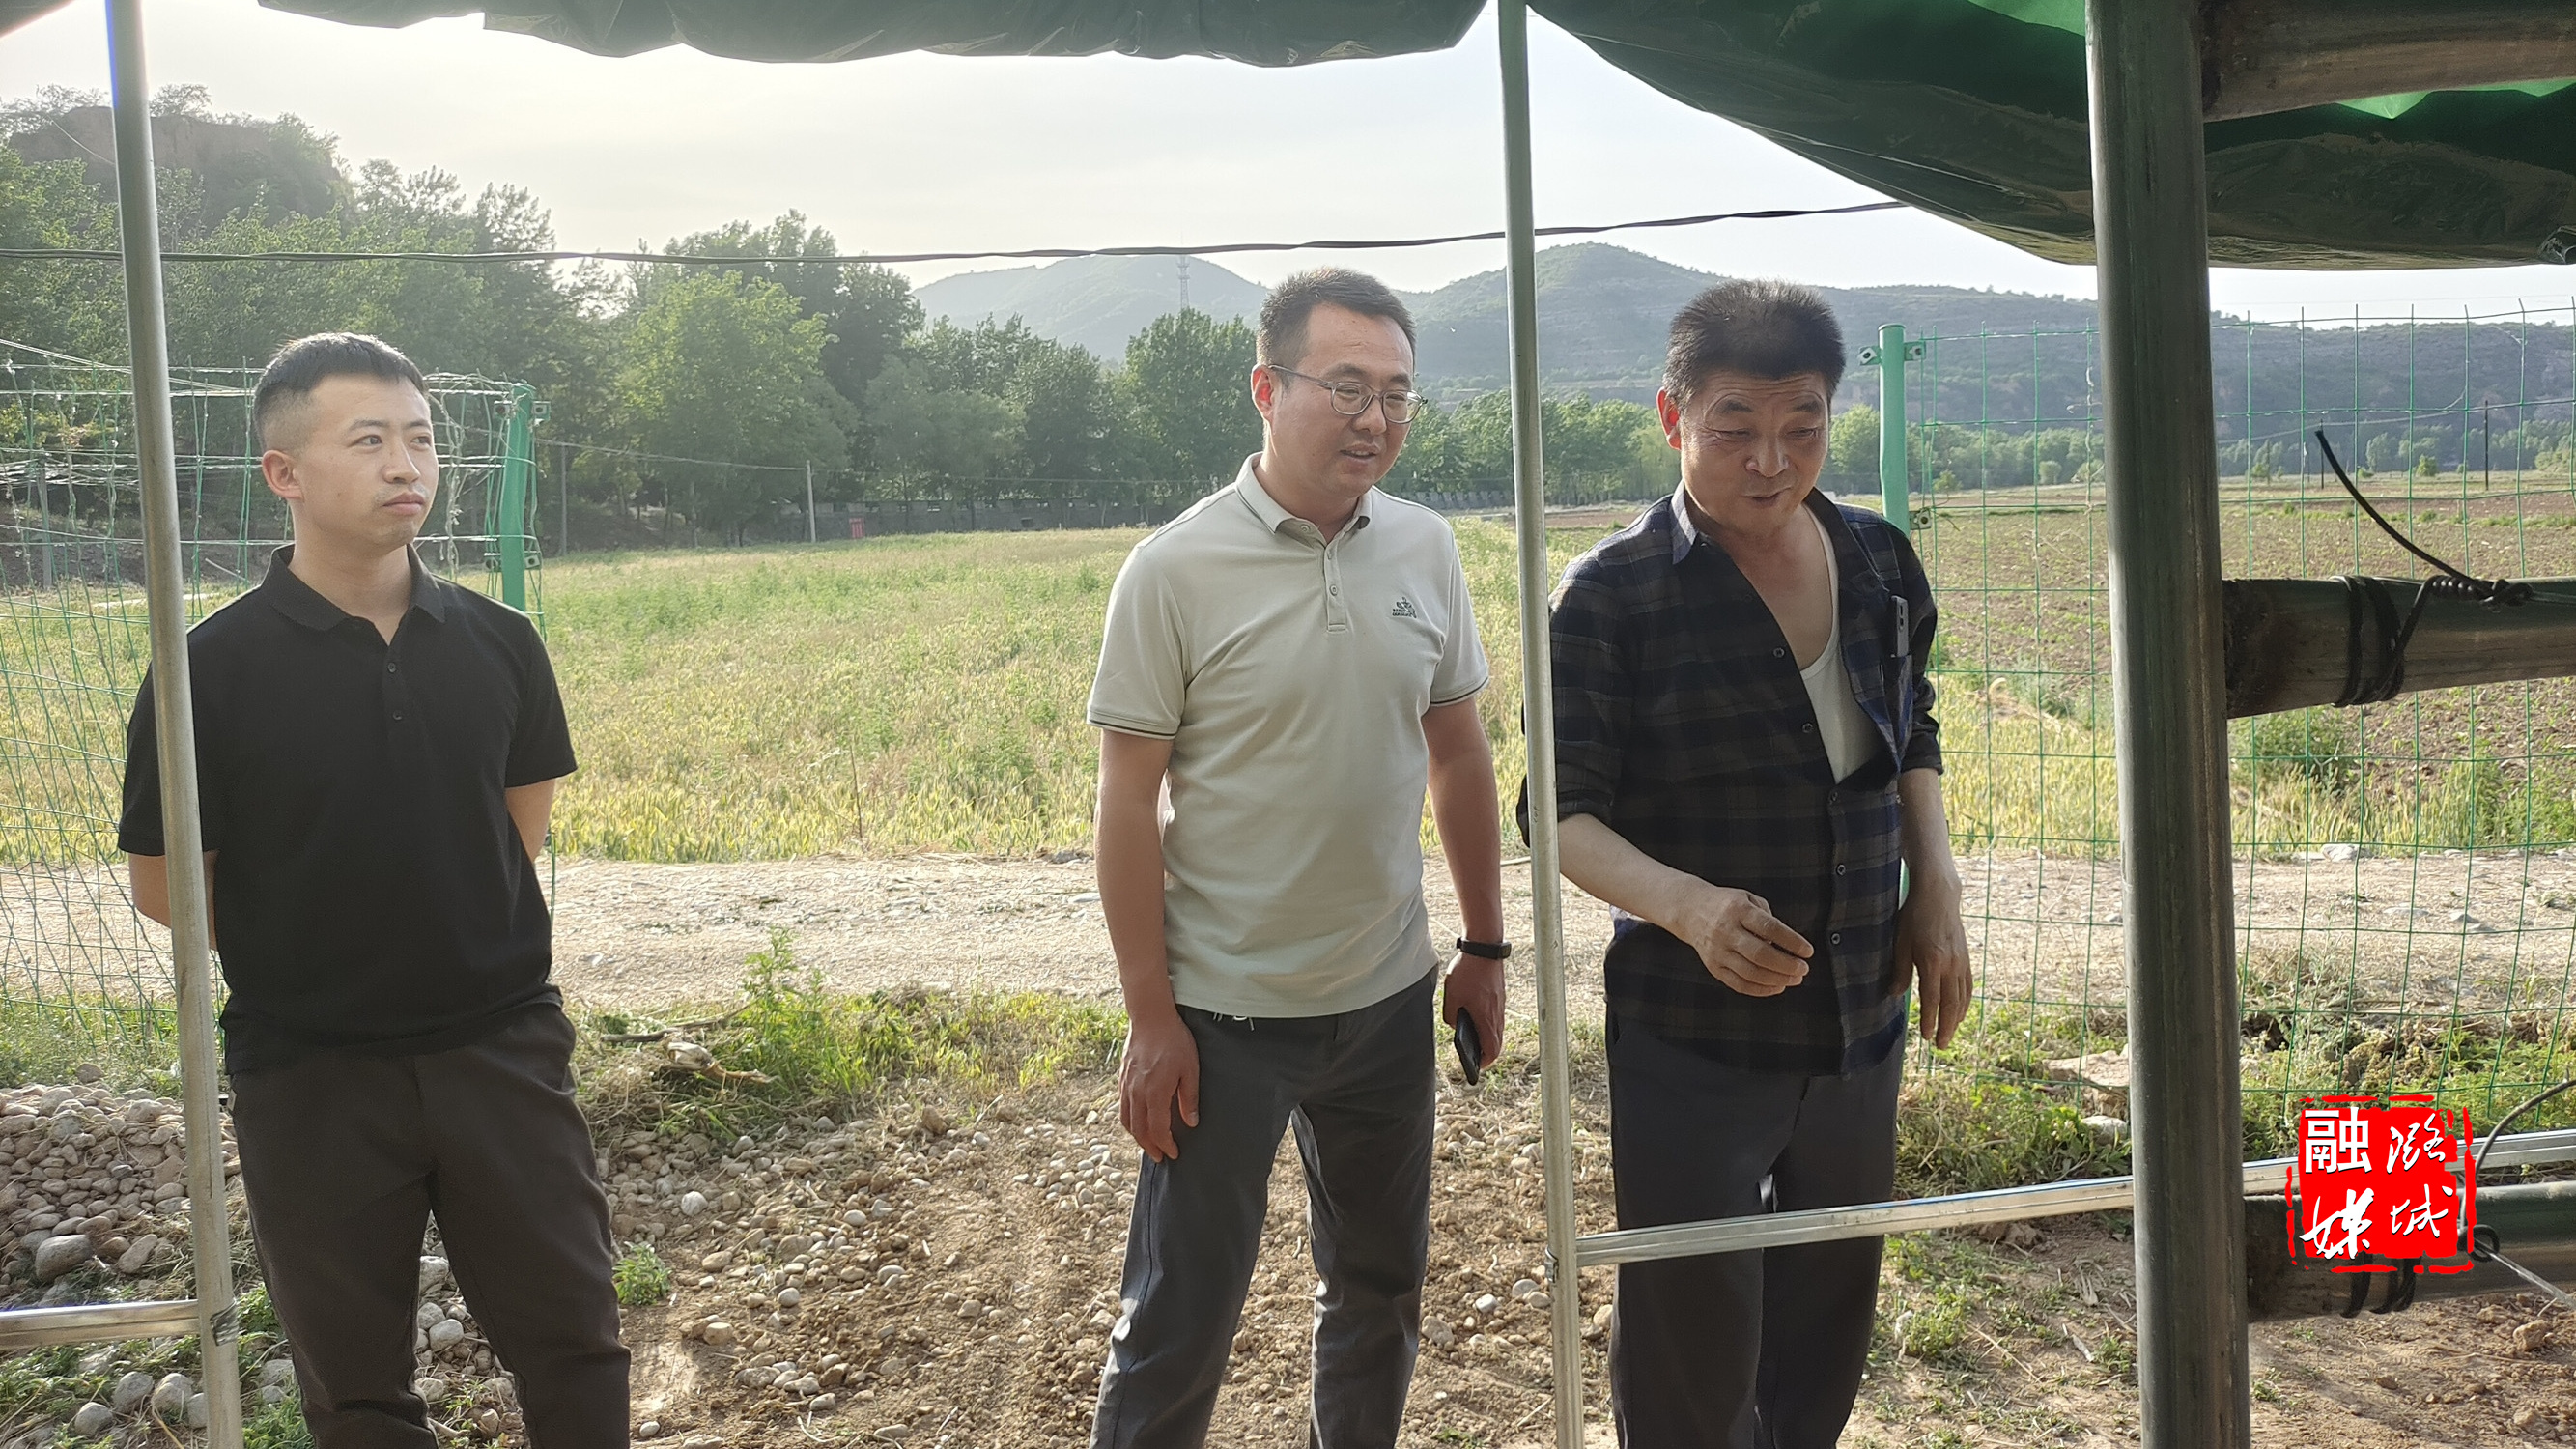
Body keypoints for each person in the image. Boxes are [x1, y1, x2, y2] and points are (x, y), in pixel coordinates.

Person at [119, 333, 626, 1448]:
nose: (406, 464)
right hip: (311, 1075)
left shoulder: (502, 644)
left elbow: (513, 831)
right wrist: (322, 949)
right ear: (284, 472)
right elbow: (169, 889)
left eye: (421, 439)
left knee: (578, 1346)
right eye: (368, 441)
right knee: (356, 1394)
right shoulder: (206, 672)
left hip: (501, 1051)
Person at [1540, 280, 1973, 1447]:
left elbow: (1912, 728)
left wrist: (1935, 883)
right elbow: (1560, 816)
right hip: (1696, 1031)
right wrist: (1688, 907)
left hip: (1858, 1012)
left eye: (1802, 426)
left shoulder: (1879, 559)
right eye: (1734, 428)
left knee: (1830, 1302)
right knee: (1692, 1323)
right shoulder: (1612, 595)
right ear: (1672, 417)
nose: (1771, 461)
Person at [1084, 268, 1508, 1449]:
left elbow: (1458, 752)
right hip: (1222, 1016)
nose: (1376, 418)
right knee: (1179, 1318)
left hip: (1387, 1001)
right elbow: (1126, 805)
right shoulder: (1173, 570)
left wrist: (1483, 945)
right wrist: (1151, 1015)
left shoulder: (1424, 548)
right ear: (1268, 390)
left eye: (1399, 394)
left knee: (1378, 1293)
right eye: (1348, 387)